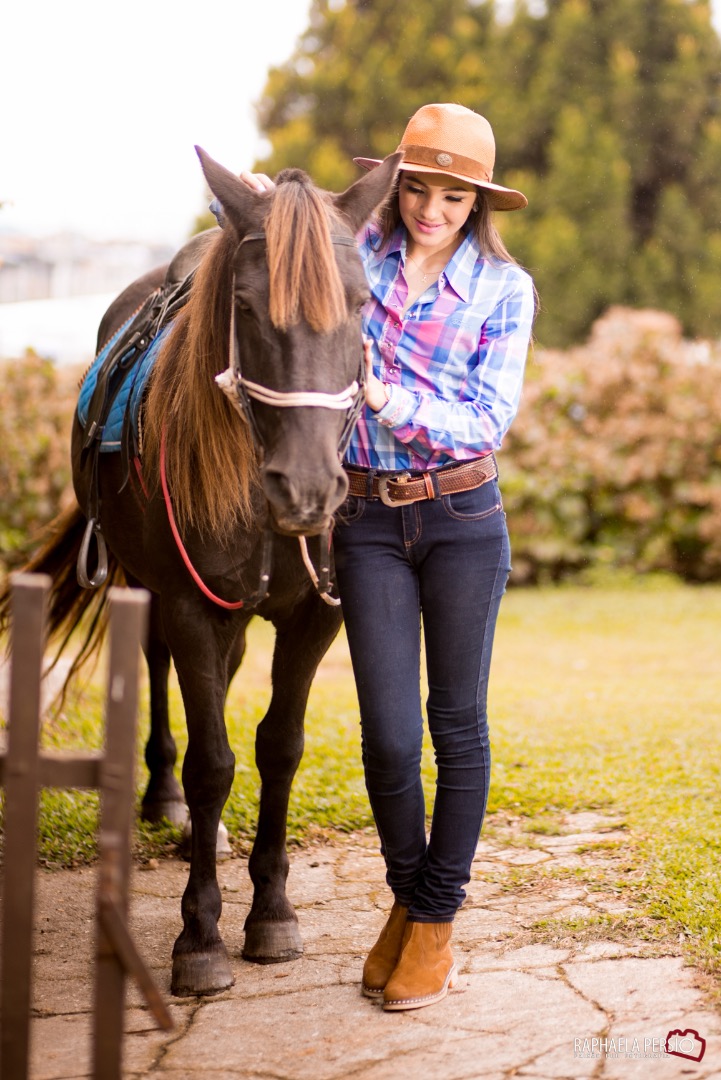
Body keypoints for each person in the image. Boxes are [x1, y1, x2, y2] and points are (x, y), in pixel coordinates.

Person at [237, 102, 536, 1013]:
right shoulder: (358, 256)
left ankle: (431, 922)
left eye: (453, 195)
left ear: (476, 201)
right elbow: (296, 257)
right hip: (363, 521)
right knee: (387, 737)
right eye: (417, 188)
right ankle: (414, 901)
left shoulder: (503, 289)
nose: (431, 209)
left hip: (459, 517)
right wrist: (265, 201)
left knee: (457, 729)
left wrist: (384, 396)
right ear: (396, 185)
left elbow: (488, 419)